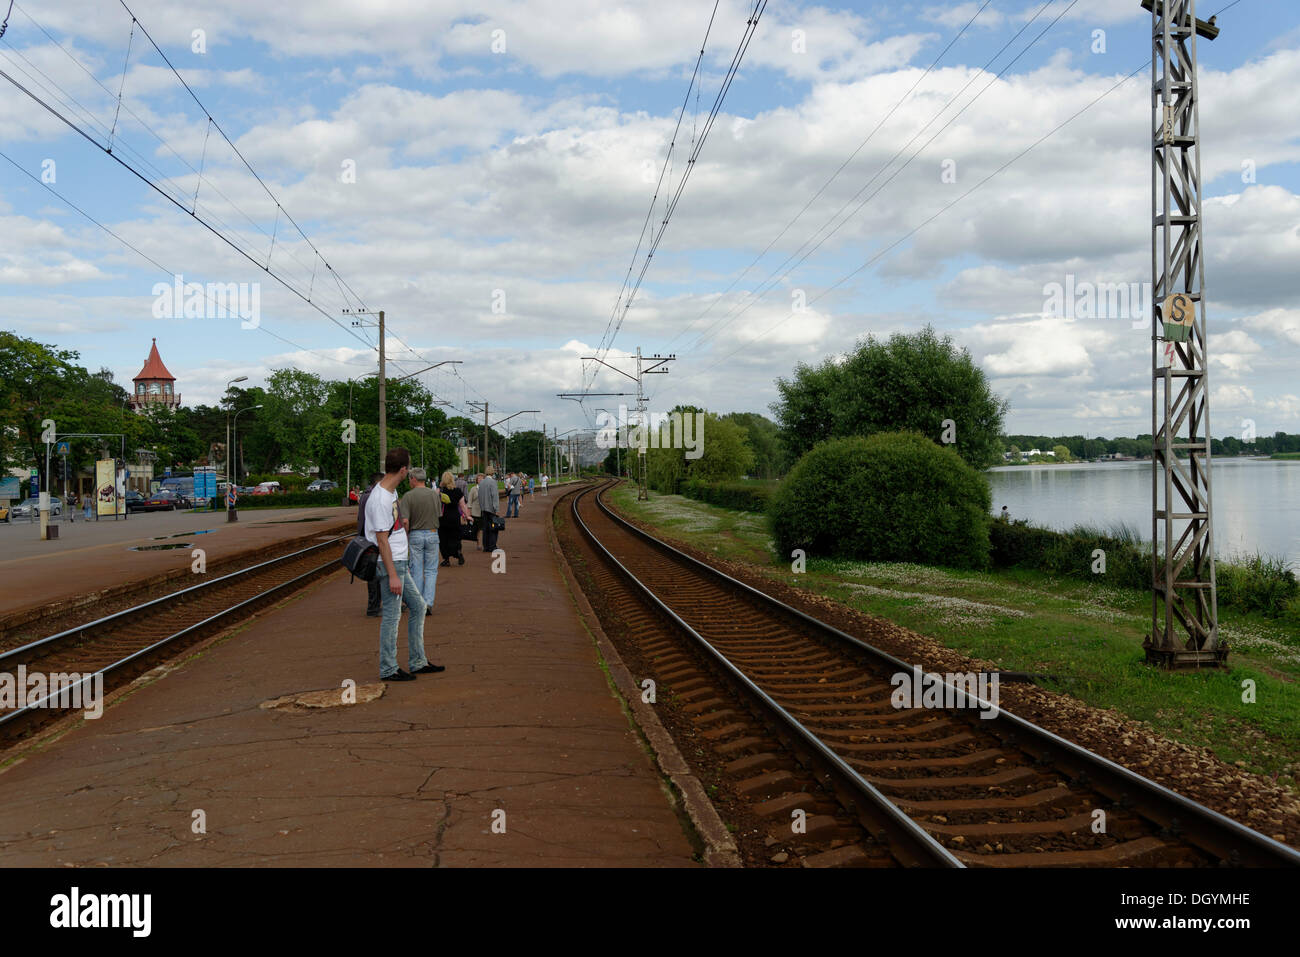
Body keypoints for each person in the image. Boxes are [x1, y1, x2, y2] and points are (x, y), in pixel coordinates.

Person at [366, 447, 443, 682]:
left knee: (419, 607)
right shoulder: (380, 499)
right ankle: (388, 668)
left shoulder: (391, 494)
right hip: (390, 564)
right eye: (407, 467)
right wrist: (392, 575)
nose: (408, 471)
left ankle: (418, 661)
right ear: (402, 469)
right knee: (391, 616)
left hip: (400, 561)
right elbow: (381, 540)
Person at [400, 467, 442, 617]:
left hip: (415, 534)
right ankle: (428, 602)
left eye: (409, 478)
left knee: (416, 569)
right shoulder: (434, 494)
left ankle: (418, 603)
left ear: (413, 479)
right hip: (432, 533)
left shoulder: (407, 497)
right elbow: (439, 514)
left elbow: (405, 521)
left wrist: (406, 536)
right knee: (431, 570)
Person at [357, 472, 385, 617]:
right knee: (374, 575)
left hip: (366, 539)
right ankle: (373, 607)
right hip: (371, 541)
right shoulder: (372, 497)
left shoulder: (366, 495)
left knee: (375, 573)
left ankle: (375, 605)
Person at [437, 470, 471, 567]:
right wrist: (467, 515)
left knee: (443, 539)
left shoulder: (440, 491)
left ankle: (446, 559)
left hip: (442, 518)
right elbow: (463, 505)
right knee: (455, 537)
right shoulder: (458, 491)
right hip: (455, 517)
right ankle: (458, 553)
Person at [480, 466, 501, 552]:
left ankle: (486, 546)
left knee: (485, 528)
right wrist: (496, 508)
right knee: (493, 527)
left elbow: (480, 496)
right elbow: (494, 496)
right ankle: (492, 546)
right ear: (492, 473)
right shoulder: (493, 482)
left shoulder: (481, 483)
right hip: (491, 509)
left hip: (484, 509)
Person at [468, 473, 483, 549]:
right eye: (479, 478)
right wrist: (469, 512)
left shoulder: (485, 488)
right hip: (475, 512)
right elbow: (469, 501)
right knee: (478, 529)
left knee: (485, 528)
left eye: (482, 478)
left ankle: (487, 543)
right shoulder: (473, 489)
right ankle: (478, 544)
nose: (480, 480)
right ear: (476, 480)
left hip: (484, 511)